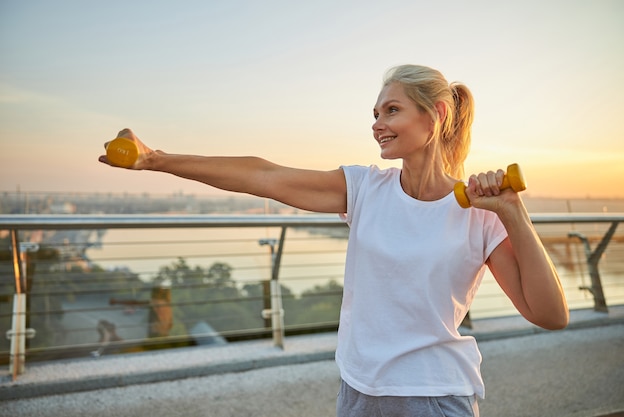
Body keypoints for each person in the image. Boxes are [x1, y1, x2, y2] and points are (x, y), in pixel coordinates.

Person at [99, 64, 569, 417]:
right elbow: (263, 174)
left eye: (392, 110)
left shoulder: (478, 213)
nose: (377, 123)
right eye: (375, 113)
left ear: (437, 115)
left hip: (434, 396)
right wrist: (156, 159)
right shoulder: (365, 189)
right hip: (358, 392)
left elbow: (549, 314)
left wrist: (512, 212)